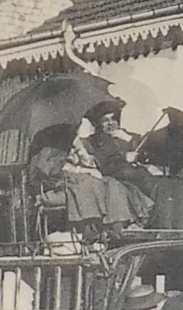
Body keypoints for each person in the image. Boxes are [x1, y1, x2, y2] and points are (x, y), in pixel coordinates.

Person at [62, 100, 152, 243]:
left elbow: (146, 150)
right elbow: (105, 164)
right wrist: (125, 157)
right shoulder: (93, 141)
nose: (111, 124)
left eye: (113, 119)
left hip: (132, 177)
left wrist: (130, 141)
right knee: (119, 187)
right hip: (114, 178)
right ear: (98, 124)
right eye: (105, 120)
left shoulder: (125, 137)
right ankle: (123, 227)